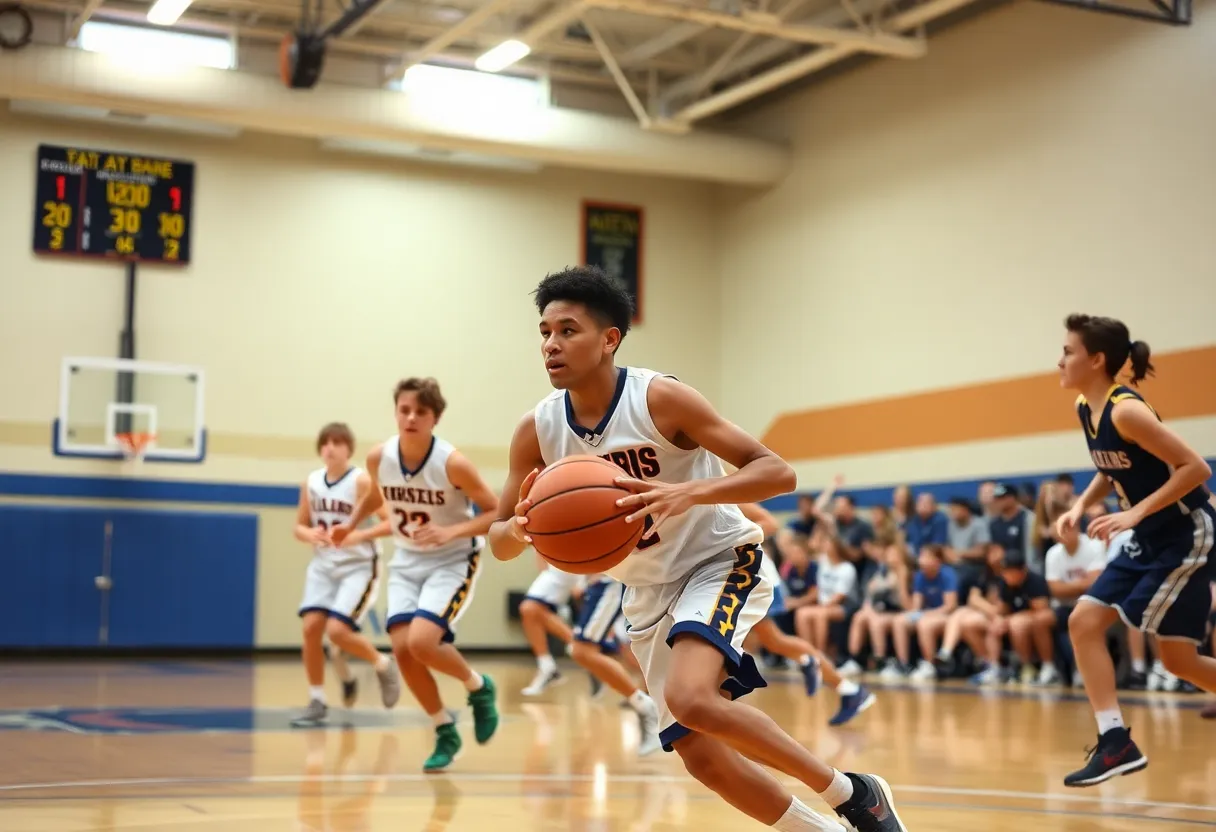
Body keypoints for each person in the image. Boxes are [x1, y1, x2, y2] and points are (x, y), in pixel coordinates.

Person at [489, 266, 909, 832]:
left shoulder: (660, 398)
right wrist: (520, 527)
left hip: (718, 559)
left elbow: (777, 473)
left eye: (568, 330)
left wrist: (691, 491)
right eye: (544, 332)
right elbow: (496, 541)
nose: (551, 344)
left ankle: (853, 793)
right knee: (702, 758)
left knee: (690, 697)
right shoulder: (536, 431)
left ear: (610, 338)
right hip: (645, 590)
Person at [1054, 314, 1216, 788]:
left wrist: (1134, 513)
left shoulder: (1127, 410)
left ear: (1096, 359)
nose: (1060, 359)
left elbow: (1195, 468)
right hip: (1149, 536)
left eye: (1068, 351)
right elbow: (1114, 468)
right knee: (1168, 656)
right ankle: (1115, 743)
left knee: (1171, 657)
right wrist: (1081, 505)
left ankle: (1116, 742)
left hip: (1185, 534)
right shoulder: (1088, 406)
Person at [334, 378, 502, 772]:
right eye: (404, 410)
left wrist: (450, 531)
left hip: (453, 559)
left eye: (420, 412)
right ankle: (444, 727)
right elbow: (377, 495)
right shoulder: (380, 457)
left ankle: (479, 688)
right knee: (404, 650)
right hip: (407, 560)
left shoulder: (452, 463)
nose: (410, 418)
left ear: (435, 418)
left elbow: (496, 512)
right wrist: (352, 524)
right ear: (396, 413)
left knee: (424, 642)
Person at [292, 422, 399, 726]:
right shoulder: (311, 483)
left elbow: (391, 523)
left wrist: (356, 536)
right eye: (325, 442)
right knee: (311, 627)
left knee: (337, 632)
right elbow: (298, 526)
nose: (330, 448)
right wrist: (309, 533)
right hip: (323, 566)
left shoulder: (361, 481)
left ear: (348, 449)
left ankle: (382, 664)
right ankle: (317, 699)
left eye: (337, 443)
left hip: (358, 567)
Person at [741, 501, 877, 727]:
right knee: (770, 640)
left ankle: (814, 664)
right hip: (738, 576)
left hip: (751, 575)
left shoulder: (714, 487)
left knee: (743, 640)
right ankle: (842, 685)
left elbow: (770, 523)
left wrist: (730, 540)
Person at [517, 560, 663, 754]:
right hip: (597, 585)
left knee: (587, 651)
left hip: (609, 583)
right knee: (583, 652)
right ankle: (644, 702)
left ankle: (648, 704)